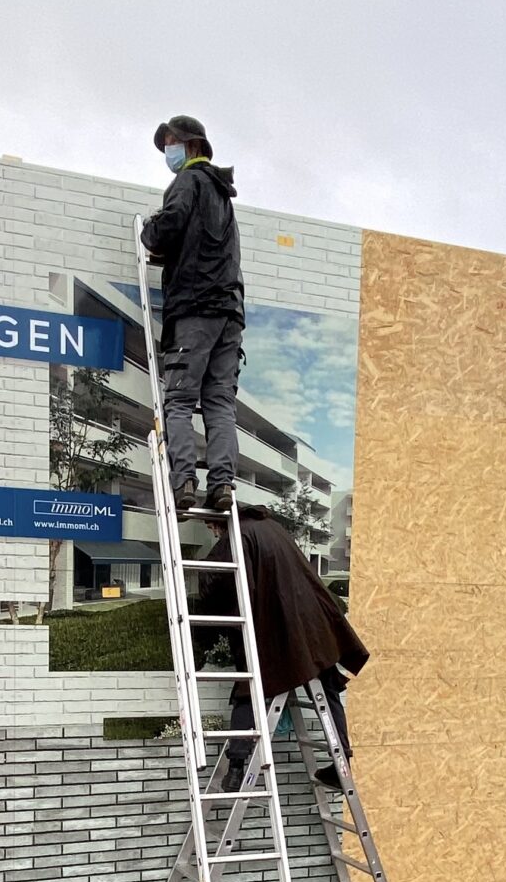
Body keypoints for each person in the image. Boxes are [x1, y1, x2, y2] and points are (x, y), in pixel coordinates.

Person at [192, 508, 369, 790]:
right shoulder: (274, 529)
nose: (214, 534)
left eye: (212, 529)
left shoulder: (237, 534)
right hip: (312, 624)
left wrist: (203, 615)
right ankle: (342, 764)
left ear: (218, 522)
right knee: (328, 684)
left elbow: (218, 582)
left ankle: (236, 768)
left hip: (278, 628)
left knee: (251, 686)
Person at [139, 113, 245, 518]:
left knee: (180, 400)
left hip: (196, 308)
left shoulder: (188, 181)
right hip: (229, 314)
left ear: (193, 146)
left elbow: (170, 226)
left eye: (172, 143)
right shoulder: (222, 195)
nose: (169, 150)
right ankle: (222, 485)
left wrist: (151, 231)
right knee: (219, 401)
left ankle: (183, 480)